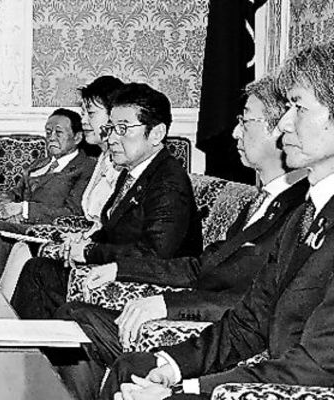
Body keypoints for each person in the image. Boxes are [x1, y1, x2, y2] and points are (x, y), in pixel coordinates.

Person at [102, 42, 334, 400]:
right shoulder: (304, 214)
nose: (285, 124)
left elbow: (315, 368)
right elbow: (249, 322)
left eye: (299, 107)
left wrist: (186, 391)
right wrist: (171, 367)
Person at [54, 75, 309, 400]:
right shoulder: (262, 202)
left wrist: (168, 305)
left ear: (279, 130)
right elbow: (202, 266)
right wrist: (122, 271)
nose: (234, 132)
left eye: (245, 121)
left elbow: (255, 305)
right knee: (74, 318)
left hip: (218, 337)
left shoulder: (298, 211)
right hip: (203, 322)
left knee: (103, 345)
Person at [11, 83, 202, 320]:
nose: (111, 138)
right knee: (38, 269)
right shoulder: (132, 172)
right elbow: (113, 231)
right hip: (118, 270)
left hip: (150, 286)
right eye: (111, 128)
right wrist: (85, 241)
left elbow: (155, 254)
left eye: (123, 129)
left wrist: (90, 252)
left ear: (156, 133)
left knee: (39, 275)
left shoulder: (168, 182)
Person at [0, 75, 124, 298]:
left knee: (29, 260)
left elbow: (102, 221)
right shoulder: (104, 160)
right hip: (80, 239)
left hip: (95, 251)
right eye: (83, 113)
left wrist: (85, 242)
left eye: (90, 113)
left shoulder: (110, 165)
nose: (83, 121)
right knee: (21, 251)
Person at [0, 108, 97, 281]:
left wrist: (24, 210)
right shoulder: (39, 164)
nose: (51, 137)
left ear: (77, 137)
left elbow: (73, 213)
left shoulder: (87, 168)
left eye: (58, 132)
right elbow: (12, 194)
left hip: (46, 231)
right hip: (13, 226)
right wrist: (7, 207)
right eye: (48, 132)